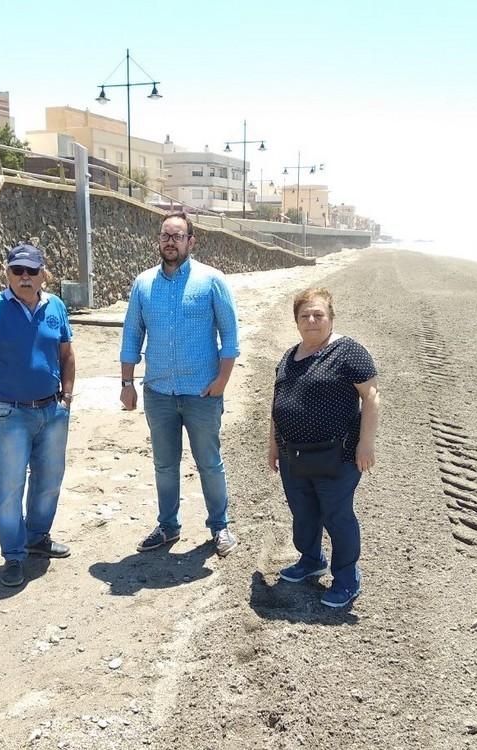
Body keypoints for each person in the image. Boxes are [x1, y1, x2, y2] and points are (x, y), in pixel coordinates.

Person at [0, 243, 75, 587]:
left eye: (31, 271)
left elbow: (66, 354)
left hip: (52, 410)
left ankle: (37, 538)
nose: (24, 277)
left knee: (49, 480)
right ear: (6, 273)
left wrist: (66, 398)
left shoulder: (56, 307)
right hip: (10, 414)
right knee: (9, 487)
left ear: (42, 274)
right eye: (17, 270)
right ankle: (13, 555)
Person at [120, 211, 241, 557]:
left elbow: (230, 337)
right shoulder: (143, 284)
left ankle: (220, 527)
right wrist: (127, 382)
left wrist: (221, 382)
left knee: (209, 463)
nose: (170, 241)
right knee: (164, 464)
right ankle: (168, 526)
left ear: (191, 241)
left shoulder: (212, 280)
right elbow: (131, 335)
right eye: (165, 235)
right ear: (158, 240)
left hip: (201, 393)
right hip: (158, 393)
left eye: (177, 236)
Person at [267, 288, 380, 607]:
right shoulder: (289, 356)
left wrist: (366, 443)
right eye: (305, 315)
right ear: (297, 321)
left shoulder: (348, 351)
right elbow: (277, 402)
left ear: (331, 318)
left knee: (337, 514)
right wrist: (273, 443)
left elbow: (371, 397)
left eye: (319, 314)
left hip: (338, 454)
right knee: (303, 512)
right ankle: (311, 559)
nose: (312, 320)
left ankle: (347, 578)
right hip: (294, 455)